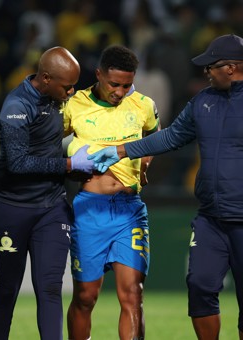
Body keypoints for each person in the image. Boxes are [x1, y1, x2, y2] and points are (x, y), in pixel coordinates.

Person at [88, 34, 243, 340]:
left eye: (210, 66)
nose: (205, 72)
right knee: (200, 286)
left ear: (230, 68)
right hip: (211, 219)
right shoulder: (204, 100)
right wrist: (122, 150)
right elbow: (173, 136)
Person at [0, 46, 93, 340]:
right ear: (45, 78)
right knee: (6, 290)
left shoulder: (59, 98)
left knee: (50, 288)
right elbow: (18, 163)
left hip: (51, 207)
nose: (72, 92)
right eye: (67, 86)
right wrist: (68, 164)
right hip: (12, 208)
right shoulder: (16, 107)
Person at [64, 45, 160, 340]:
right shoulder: (74, 104)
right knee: (85, 297)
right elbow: (46, 137)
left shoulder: (143, 105)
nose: (120, 92)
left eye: (127, 85)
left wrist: (145, 162)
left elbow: (155, 135)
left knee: (132, 293)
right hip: (89, 209)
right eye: (114, 84)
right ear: (99, 75)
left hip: (129, 209)